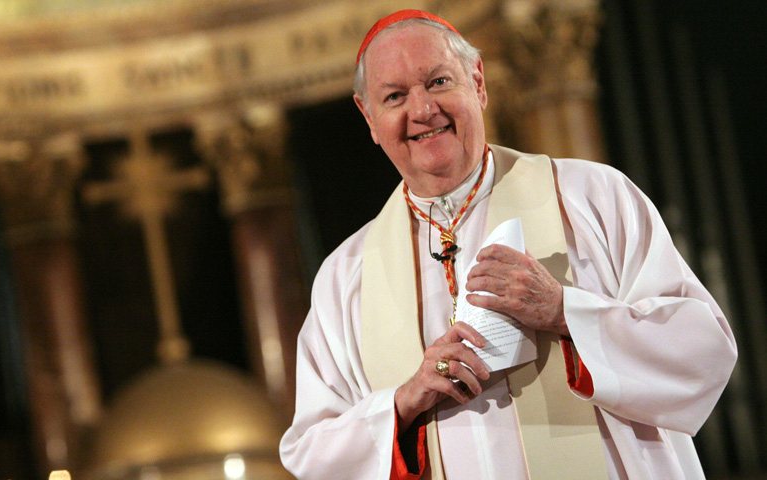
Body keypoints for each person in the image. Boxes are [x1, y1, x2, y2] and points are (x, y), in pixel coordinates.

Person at [279, 9, 737, 480]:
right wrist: (403, 401)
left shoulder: (592, 196)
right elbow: (312, 452)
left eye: (437, 82)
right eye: (395, 96)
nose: (421, 110)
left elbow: (704, 348)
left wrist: (564, 311)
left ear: (477, 82)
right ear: (369, 117)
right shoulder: (346, 275)